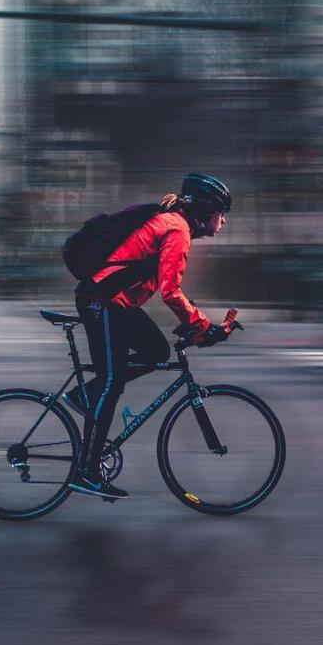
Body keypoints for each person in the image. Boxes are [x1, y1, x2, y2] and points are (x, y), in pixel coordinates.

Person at [65, 173, 234, 499]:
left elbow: (167, 288)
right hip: (102, 300)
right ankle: (86, 469)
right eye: (222, 212)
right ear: (206, 209)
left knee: (156, 351)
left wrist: (196, 323)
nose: (224, 220)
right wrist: (200, 325)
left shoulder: (173, 223)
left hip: (113, 300)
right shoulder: (177, 229)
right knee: (111, 383)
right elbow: (171, 292)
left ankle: (88, 394)